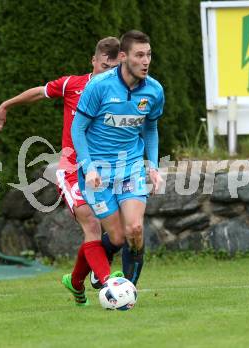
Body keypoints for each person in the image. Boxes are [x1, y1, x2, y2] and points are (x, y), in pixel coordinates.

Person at [0, 37, 122, 306]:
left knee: (116, 230)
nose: (107, 73)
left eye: (112, 69)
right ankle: (109, 283)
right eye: (103, 66)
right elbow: (39, 92)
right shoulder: (73, 85)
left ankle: (76, 282)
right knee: (91, 223)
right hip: (73, 170)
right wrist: (7, 104)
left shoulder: (121, 94)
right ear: (94, 61)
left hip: (105, 170)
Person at [71, 30, 165, 287]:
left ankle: (128, 289)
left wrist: (153, 166)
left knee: (134, 229)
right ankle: (91, 268)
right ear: (123, 57)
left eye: (148, 55)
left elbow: (151, 128)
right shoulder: (99, 87)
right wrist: (89, 168)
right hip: (98, 173)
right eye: (139, 55)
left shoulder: (154, 91)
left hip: (131, 167)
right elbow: (77, 129)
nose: (145, 61)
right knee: (117, 237)